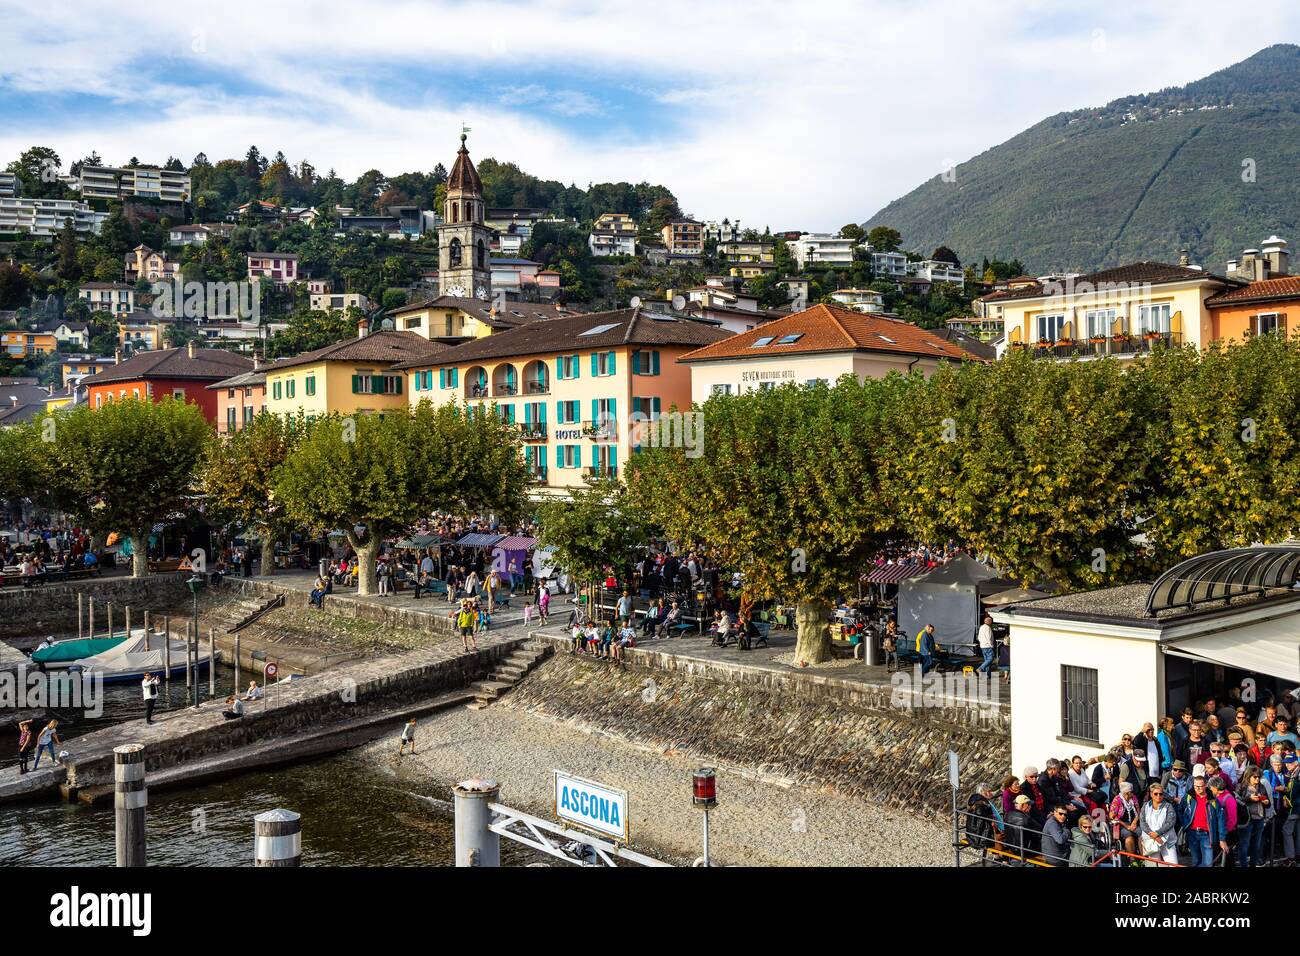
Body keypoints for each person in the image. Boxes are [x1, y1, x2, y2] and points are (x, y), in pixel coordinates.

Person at [1178, 769, 1226, 867]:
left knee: (1208, 863)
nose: (1197, 789)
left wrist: (1222, 839)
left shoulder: (1212, 800)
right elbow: (1180, 810)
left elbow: (1221, 819)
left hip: (1207, 835)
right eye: (1195, 786)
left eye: (1200, 786)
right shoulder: (1188, 796)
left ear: (1205, 786)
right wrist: (1185, 824)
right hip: (1192, 833)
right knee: (1196, 861)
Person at [1237, 767, 1272, 867]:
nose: (1257, 779)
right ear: (1248, 776)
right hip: (1246, 820)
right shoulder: (1241, 786)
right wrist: (1249, 798)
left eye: (1259, 777)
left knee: (1256, 845)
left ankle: (1253, 865)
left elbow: (1268, 804)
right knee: (1244, 845)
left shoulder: (1261, 787)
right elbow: (1237, 802)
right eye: (1255, 777)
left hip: (1259, 818)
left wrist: (1266, 802)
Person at [1139, 782, 1178, 865]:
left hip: (1167, 841)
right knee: (1154, 865)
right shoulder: (1145, 806)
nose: (1158, 796)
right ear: (1151, 794)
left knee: (1174, 865)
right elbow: (1142, 822)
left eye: (1161, 794)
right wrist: (1153, 835)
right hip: (1151, 841)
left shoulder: (1168, 806)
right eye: (1156, 794)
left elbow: (1170, 822)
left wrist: (1157, 833)